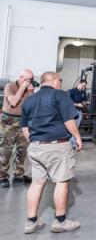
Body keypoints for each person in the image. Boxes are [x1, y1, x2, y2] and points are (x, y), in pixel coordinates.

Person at [21, 71, 82, 234]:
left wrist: (33, 142)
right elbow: (69, 120)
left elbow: (25, 128)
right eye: (60, 80)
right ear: (54, 80)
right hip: (57, 147)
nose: (60, 83)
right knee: (62, 181)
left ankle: (31, 221)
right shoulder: (60, 95)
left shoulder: (30, 100)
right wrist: (77, 137)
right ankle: (60, 221)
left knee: (37, 182)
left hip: (35, 147)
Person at [0, 69, 35, 188]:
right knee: (5, 151)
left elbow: (32, 107)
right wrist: (23, 87)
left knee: (22, 150)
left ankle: (18, 175)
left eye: (31, 79)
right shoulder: (9, 86)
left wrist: (30, 91)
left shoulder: (28, 89)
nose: (29, 82)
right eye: (27, 79)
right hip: (8, 123)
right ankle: (2, 176)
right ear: (21, 78)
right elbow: (14, 102)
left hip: (23, 123)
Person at [68, 79, 87, 147]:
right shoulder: (71, 91)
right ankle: (71, 143)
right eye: (83, 85)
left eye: (84, 86)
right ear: (79, 83)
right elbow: (68, 102)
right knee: (72, 127)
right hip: (73, 111)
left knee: (77, 127)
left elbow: (84, 100)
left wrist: (84, 103)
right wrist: (76, 104)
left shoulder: (83, 92)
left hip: (79, 112)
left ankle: (74, 143)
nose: (83, 87)